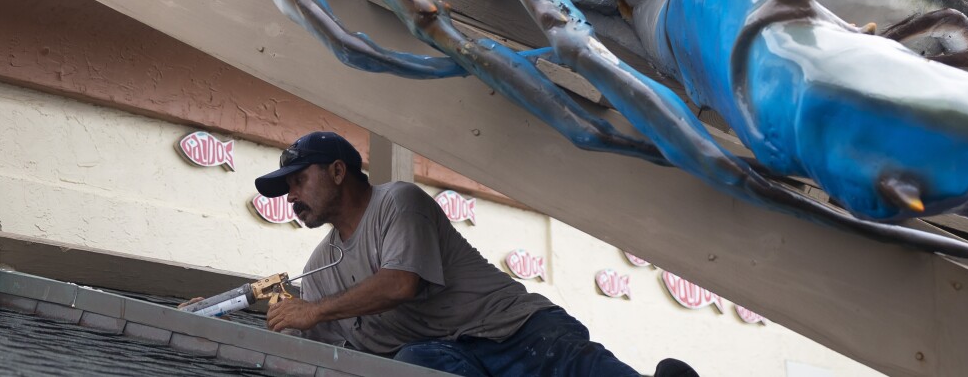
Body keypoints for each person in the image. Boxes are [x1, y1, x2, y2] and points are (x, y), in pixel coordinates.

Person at [256, 131, 674, 376]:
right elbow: (295, 326)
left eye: (297, 181)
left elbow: (400, 283)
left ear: (337, 171)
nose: (290, 196)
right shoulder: (321, 265)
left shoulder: (397, 202)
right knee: (413, 364)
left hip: (518, 331)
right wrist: (207, 313)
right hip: (451, 353)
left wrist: (312, 310)